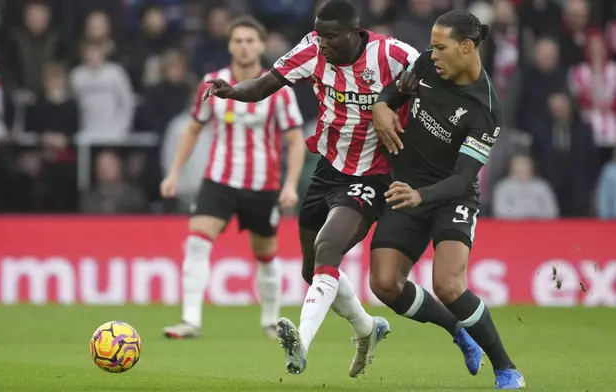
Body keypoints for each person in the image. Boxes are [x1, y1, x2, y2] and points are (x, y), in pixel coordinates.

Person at [204, 0, 419, 378]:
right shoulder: (310, 49)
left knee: (327, 248)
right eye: (319, 35)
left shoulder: (392, 53)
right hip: (328, 169)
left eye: (331, 36)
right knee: (313, 269)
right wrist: (233, 91)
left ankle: (301, 343)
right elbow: (264, 85)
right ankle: (368, 329)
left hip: (373, 174)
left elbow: (433, 67)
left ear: (354, 33)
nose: (322, 43)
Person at [371, 10, 525, 389]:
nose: (431, 53)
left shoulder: (485, 108)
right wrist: (381, 106)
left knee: (449, 286)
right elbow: (395, 92)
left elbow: (462, 179)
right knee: (384, 283)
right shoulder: (429, 63)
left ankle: (506, 368)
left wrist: (419, 195)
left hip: (448, 196)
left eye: (440, 47)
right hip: (406, 186)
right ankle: (457, 330)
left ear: (466, 47)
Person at [161, 17, 306, 340]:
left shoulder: (277, 88)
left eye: (250, 40)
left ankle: (270, 320)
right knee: (197, 242)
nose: (244, 46)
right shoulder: (212, 82)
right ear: (229, 46)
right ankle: (190, 321)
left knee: (265, 254)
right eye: (238, 40)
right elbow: (194, 129)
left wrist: (291, 185)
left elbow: (295, 140)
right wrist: (174, 173)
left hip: (262, 184)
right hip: (219, 181)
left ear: (262, 45)